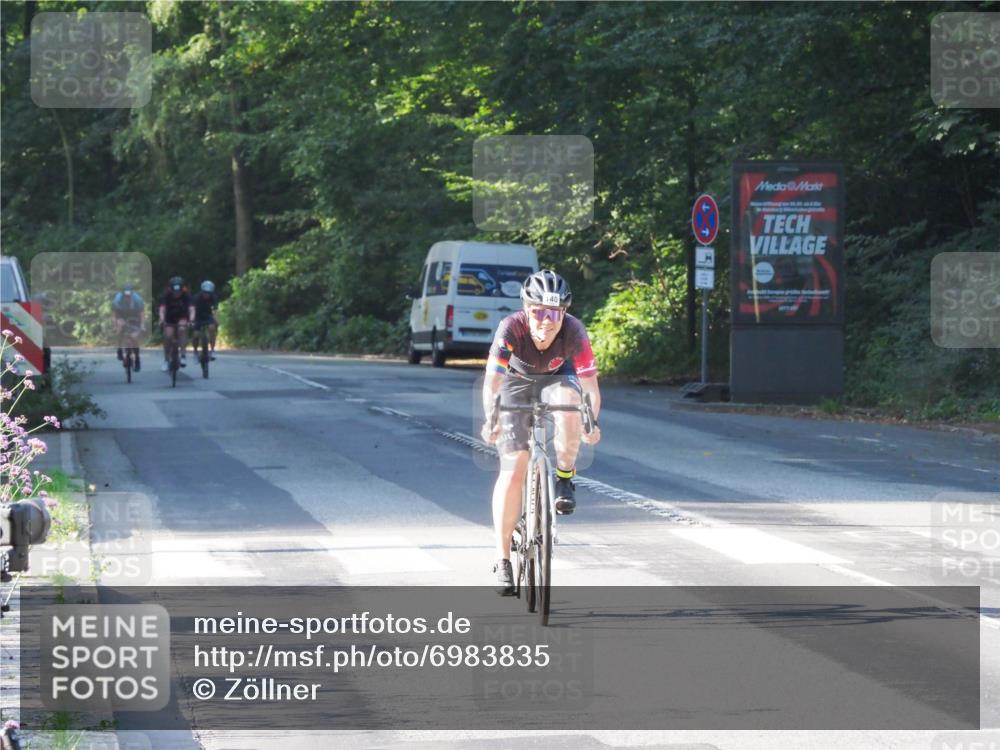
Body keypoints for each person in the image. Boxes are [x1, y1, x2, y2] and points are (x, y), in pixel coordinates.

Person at [480, 270, 602, 595]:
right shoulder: (511, 328)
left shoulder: (575, 332)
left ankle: (564, 476)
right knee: (514, 465)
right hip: (516, 383)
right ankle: (503, 558)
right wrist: (491, 417)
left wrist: (591, 422)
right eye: (539, 312)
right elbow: (493, 381)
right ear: (527, 309)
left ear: (564, 314)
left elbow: (591, 388)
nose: (546, 322)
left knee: (570, 402)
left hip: (557, 378)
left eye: (554, 314)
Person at [158, 276, 195, 372]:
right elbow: (162, 309)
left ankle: (183, 355)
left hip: (182, 316)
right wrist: (162, 320)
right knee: (168, 336)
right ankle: (166, 360)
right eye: (175, 292)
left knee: (182, 329)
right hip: (169, 318)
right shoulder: (166, 295)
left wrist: (191, 320)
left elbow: (191, 309)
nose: (177, 294)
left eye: (178, 292)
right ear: (171, 289)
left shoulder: (186, 294)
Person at [112, 284, 144, 371]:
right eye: (126, 296)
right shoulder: (117, 300)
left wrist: (142, 325)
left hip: (135, 316)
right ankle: (119, 349)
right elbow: (114, 315)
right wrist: (115, 326)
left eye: (129, 296)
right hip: (121, 315)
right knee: (120, 327)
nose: (127, 298)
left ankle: (137, 359)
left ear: (132, 294)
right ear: (123, 295)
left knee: (134, 338)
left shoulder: (138, 300)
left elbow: (141, 314)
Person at [191, 280, 219, 360]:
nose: (206, 294)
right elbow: (192, 309)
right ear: (202, 291)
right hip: (198, 316)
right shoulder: (196, 298)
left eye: (209, 293)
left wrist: (216, 320)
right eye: (205, 292)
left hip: (208, 316)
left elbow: (215, 310)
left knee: (212, 328)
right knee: (195, 335)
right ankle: (195, 352)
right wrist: (192, 320)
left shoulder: (213, 297)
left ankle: (212, 350)